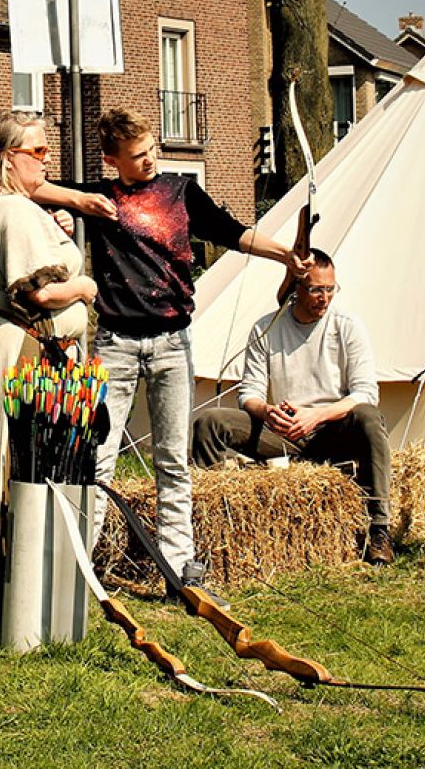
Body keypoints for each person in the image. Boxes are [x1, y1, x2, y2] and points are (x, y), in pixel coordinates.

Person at [33, 107, 306, 590]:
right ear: (112, 159)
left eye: (153, 149)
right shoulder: (102, 197)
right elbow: (33, 187)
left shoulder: (179, 190)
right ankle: (77, 566)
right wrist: (77, 201)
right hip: (116, 343)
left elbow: (231, 232)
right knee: (99, 455)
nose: (150, 161)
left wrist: (285, 253)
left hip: (172, 341)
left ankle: (178, 565)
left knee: (172, 458)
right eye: (138, 156)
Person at [0, 111, 96, 583]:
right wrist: (85, 287)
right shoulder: (11, 210)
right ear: (10, 159)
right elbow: (38, 292)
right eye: (38, 152)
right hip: (9, 345)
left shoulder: (5, 206)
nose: (47, 161)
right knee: (3, 454)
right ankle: (4, 565)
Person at [190, 249, 395, 565]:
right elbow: (249, 394)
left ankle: (379, 529)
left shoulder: (348, 326)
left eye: (330, 289)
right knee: (210, 422)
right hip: (284, 431)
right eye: (315, 289)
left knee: (368, 417)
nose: (324, 298)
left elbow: (366, 392)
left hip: (332, 429)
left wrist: (317, 416)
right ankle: (216, 528)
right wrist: (267, 412)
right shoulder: (266, 328)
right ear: (294, 290)